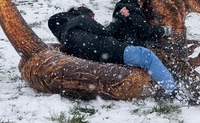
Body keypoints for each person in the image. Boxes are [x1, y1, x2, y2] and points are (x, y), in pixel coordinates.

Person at [108, 0, 200, 105]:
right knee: (177, 63)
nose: (141, 2)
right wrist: (163, 30)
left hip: (131, 49)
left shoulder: (121, 9)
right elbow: (144, 30)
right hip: (141, 49)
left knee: (171, 65)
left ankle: (188, 92)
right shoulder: (131, 8)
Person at [48, 6, 178, 97]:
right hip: (111, 51)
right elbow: (107, 31)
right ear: (85, 14)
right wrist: (120, 16)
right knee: (147, 56)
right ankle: (173, 91)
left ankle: (165, 85)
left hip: (101, 57)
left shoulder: (66, 35)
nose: (93, 20)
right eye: (92, 18)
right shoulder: (81, 19)